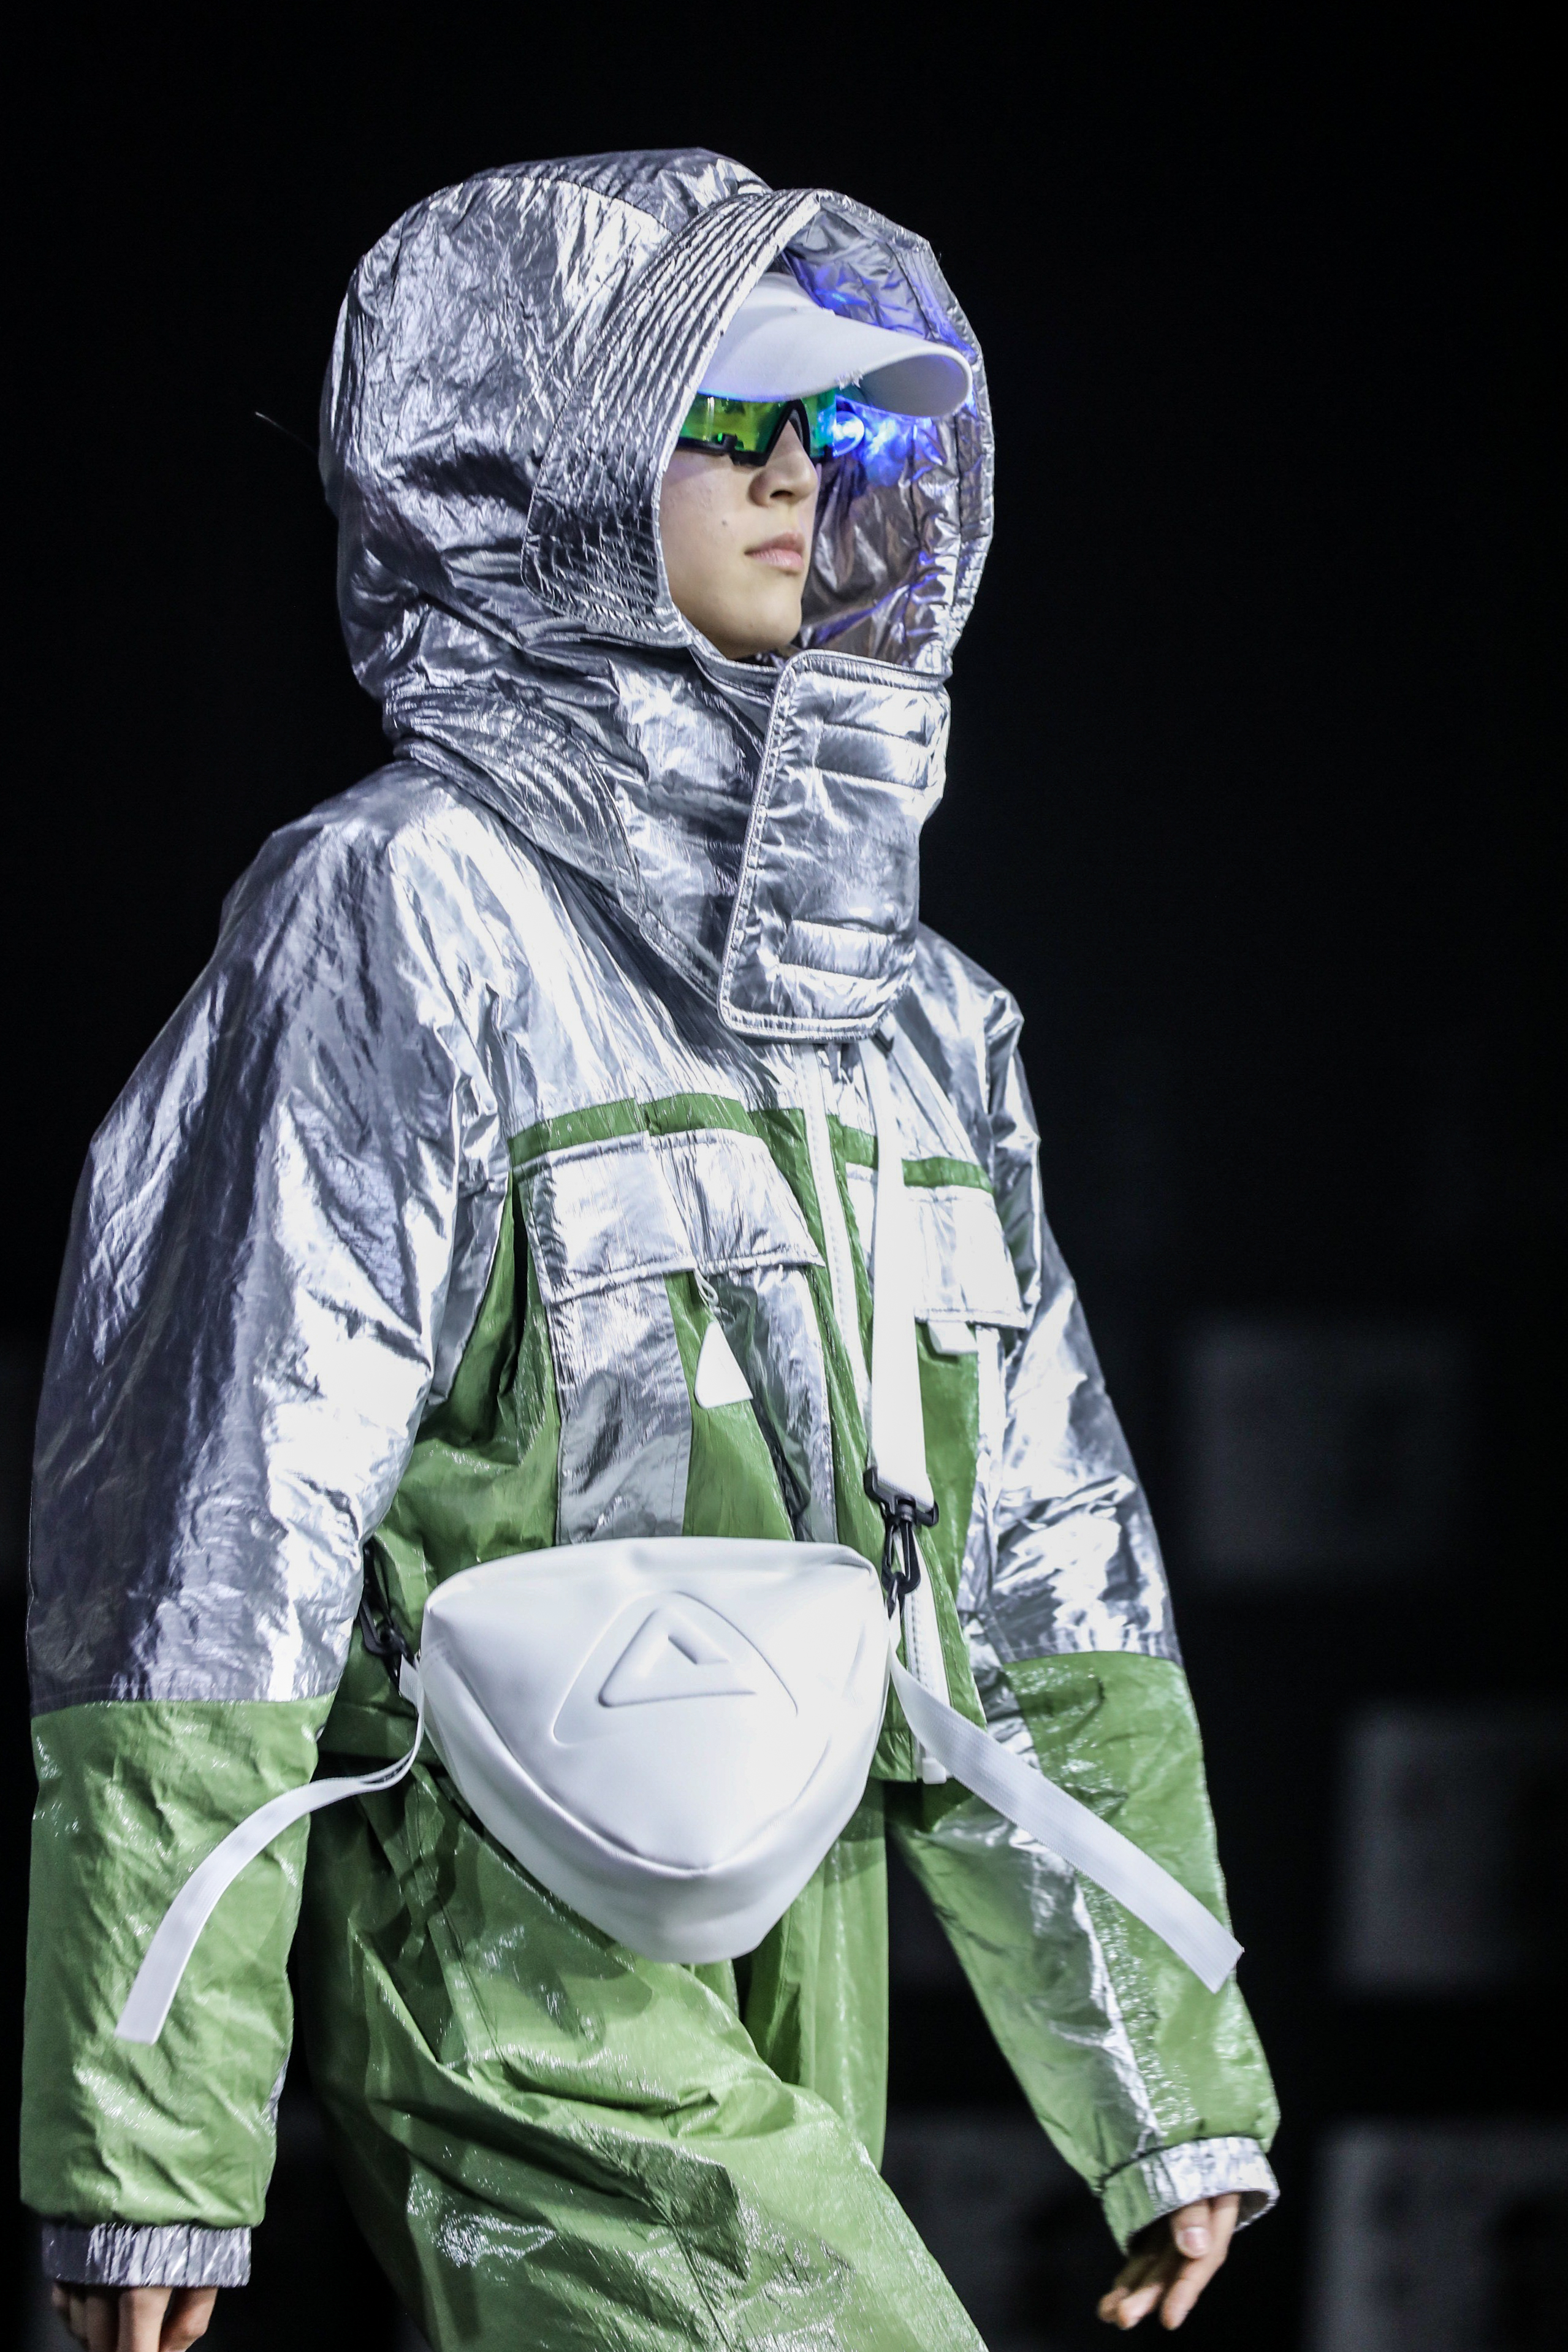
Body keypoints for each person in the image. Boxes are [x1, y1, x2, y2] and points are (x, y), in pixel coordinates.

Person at [23, 150, 1278, 2351]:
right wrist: (150, 2149)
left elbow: (1037, 1563)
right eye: (724, 413)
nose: (806, 474)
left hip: (803, 1878)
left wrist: (1167, 2090)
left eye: (854, 419)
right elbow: (218, 1524)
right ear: (538, 472)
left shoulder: (917, 1016)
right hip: (494, 1926)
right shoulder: (401, 911)